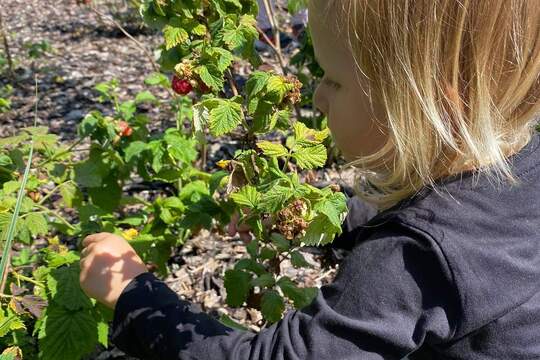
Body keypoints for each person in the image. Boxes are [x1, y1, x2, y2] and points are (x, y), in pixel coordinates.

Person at [79, 0, 540, 358]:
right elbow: (426, 222)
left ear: (428, 105)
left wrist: (134, 298)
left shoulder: (412, 260)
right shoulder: (520, 166)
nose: (317, 97)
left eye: (333, 80)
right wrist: (309, 216)